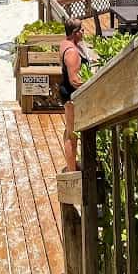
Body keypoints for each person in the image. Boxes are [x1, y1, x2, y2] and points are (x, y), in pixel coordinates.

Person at [59, 18, 90, 172]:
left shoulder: (65, 43)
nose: (83, 32)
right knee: (72, 135)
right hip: (72, 96)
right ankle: (72, 171)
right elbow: (75, 81)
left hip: (67, 93)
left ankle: (72, 165)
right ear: (74, 33)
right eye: (81, 30)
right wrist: (91, 86)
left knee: (70, 131)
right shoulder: (72, 52)